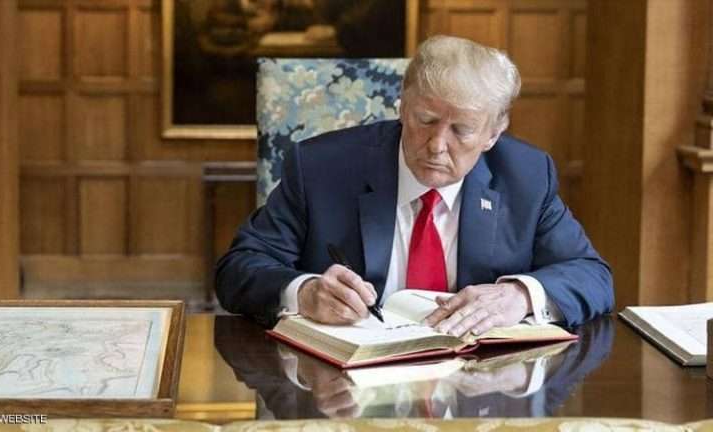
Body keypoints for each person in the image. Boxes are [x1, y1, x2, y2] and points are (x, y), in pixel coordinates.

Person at [216, 35, 614, 333]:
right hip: (346, 388)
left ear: (493, 134)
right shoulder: (321, 167)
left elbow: (592, 275)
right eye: (425, 120)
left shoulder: (526, 176)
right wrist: (303, 293)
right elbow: (239, 269)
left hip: (479, 388)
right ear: (403, 107)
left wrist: (520, 296)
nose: (437, 145)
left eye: (461, 130)